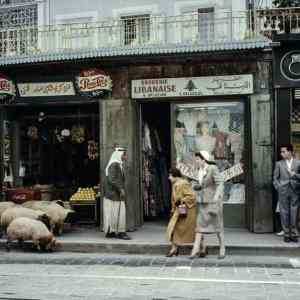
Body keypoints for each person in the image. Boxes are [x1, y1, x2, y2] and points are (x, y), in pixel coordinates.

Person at [190, 151, 225, 259]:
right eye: (196, 159)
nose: (196, 161)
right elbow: (197, 183)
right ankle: (195, 250)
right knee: (199, 226)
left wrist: (216, 197)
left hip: (213, 202)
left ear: (204, 159)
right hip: (202, 201)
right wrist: (195, 187)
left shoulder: (212, 168)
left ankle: (222, 248)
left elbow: (220, 183)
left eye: (198, 159)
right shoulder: (198, 170)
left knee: (218, 227)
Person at [166, 167, 196, 257]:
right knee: (173, 228)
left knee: (190, 230)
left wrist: (182, 200)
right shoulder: (175, 184)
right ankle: (174, 248)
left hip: (186, 210)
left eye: (170, 176)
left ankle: (202, 247)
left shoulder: (183, 183)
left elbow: (192, 196)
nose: (169, 178)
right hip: (179, 209)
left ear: (175, 176)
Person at [273, 144, 300, 243]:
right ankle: (286, 234)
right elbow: (275, 179)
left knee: (294, 212)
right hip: (283, 191)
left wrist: (295, 175)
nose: (281, 154)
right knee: (284, 212)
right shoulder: (279, 164)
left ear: (290, 152)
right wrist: (278, 188)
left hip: (295, 190)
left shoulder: (298, 163)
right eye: (281, 152)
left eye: (283, 151)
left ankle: (294, 234)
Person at [103, 147, 131, 240]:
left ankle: (112, 231)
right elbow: (112, 179)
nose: (125, 156)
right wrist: (120, 189)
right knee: (118, 213)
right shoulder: (114, 165)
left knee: (114, 213)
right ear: (120, 154)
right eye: (124, 154)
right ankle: (120, 232)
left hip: (114, 194)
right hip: (113, 194)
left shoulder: (118, 164)